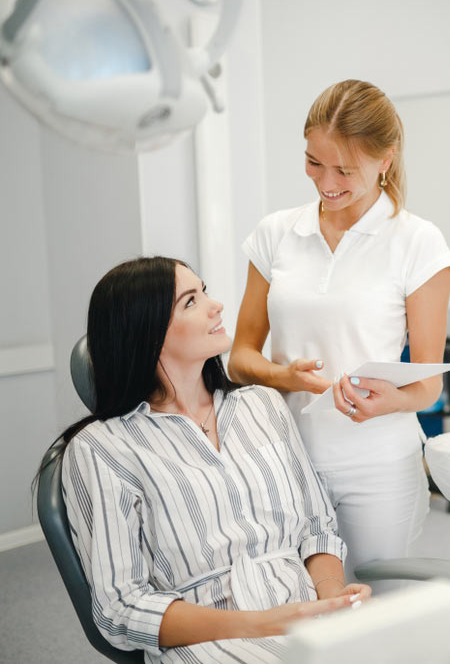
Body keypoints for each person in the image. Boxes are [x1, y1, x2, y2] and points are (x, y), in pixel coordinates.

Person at [48, 257, 370, 663]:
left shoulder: (263, 405)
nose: (215, 305)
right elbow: (122, 609)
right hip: (208, 642)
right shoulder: (103, 449)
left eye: (205, 291)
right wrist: (264, 623)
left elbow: (317, 528)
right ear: (146, 334)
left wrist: (332, 600)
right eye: (190, 301)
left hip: (311, 623)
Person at [229, 79, 450, 581]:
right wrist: (284, 376)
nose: (325, 182)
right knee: (296, 613)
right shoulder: (275, 234)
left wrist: (386, 400)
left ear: (385, 160)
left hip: (377, 465)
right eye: (314, 162)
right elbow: (240, 357)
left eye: (344, 169)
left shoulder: (418, 242)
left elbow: (427, 385)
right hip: (283, 460)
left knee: (379, 606)